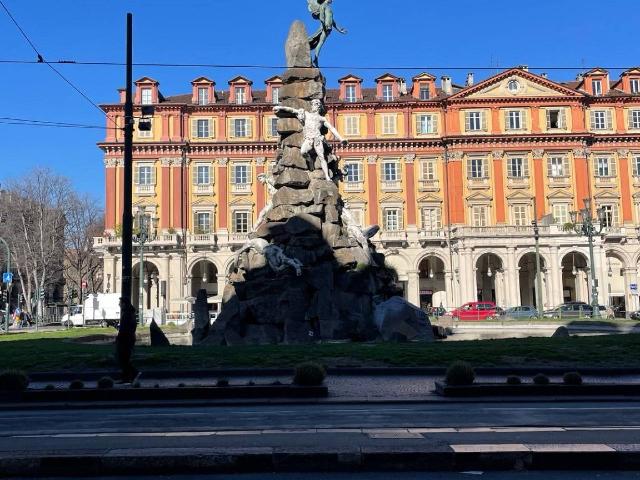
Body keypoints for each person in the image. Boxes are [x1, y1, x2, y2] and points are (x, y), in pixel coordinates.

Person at [274, 99, 348, 181]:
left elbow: (332, 128)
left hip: (317, 139)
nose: (313, 106)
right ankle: (311, 161)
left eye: (315, 104)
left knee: (322, 157)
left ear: (318, 107)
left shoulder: (322, 118)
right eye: (313, 104)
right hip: (308, 139)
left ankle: (327, 176)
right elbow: (293, 110)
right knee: (303, 152)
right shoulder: (306, 114)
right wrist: (280, 107)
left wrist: (341, 139)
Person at [307, 0, 347, 66]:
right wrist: (324, 25)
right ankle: (315, 59)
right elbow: (321, 17)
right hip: (325, 27)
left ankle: (315, 59)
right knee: (319, 42)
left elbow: (332, 21)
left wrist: (340, 30)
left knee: (320, 43)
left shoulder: (328, 7)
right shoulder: (323, 5)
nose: (332, 0)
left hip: (328, 28)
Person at [115, 298, 139, 384]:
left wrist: (120, 336)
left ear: (124, 304)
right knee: (124, 359)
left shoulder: (127, 314)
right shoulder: (129, 313)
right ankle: (128, 377)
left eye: (120, 303)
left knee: (123, 359)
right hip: (127, 339)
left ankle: (134, 373)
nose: (119, 304)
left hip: (125, 339)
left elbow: (125, 328)